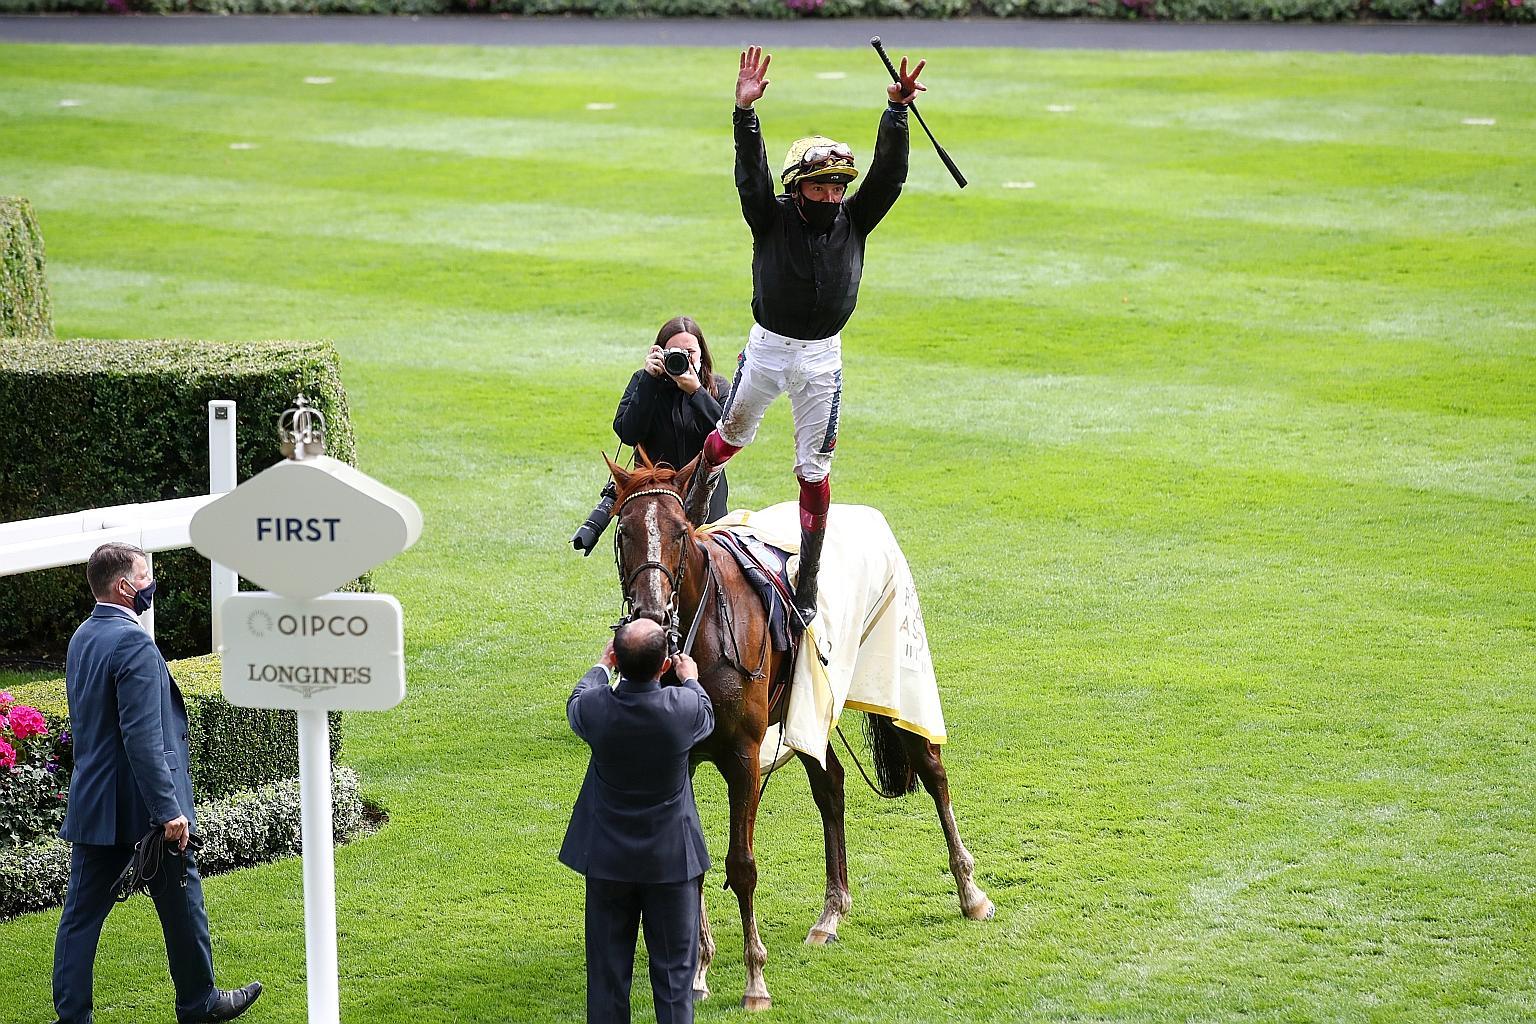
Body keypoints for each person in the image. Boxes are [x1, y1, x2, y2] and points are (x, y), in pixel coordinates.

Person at [684, 43, 928, 625]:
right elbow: (749, 175)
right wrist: (745, 113)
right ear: (797, 187)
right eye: (820, 187)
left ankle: (809, 582)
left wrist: (896, 113)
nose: (832, 195)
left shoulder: (855, 218)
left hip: (823, 359)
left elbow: (890, 176)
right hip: (768, 350)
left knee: (814, 473)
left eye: (838, 186)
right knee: (729, 439)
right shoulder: (768, 216)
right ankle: (687, 520)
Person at [52, 542, 262, 1024]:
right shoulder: (134, 644)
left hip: (94, 805)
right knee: (181, 898)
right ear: (124, 587)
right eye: (145, 577)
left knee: (80, 918)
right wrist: (169, 810)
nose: (151, 585)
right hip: (145, 811)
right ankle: (200, 1002)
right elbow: (142, 738)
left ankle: (72, 1017)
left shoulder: (84, 636)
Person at [559, 620, 715, 1024]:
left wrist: (600, 666)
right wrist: (692, 679)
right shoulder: (684, 709)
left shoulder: (595, 710)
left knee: (607, 983)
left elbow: (578, 698)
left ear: (617, 659)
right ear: (665, 666)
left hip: (608, 864)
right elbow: (706, 713)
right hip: (672, 865)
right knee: (674, 981)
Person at [613, 316, 733, 525]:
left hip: (706, 501)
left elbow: (729, 435)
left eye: (690, 353)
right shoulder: (643, 382)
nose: (683, 359)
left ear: (702, 355)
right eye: (675, 353)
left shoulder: (718, 388)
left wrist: (697, 393)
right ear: (659, 353)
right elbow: (628, 433)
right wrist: (649, 382)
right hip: (653, 500)